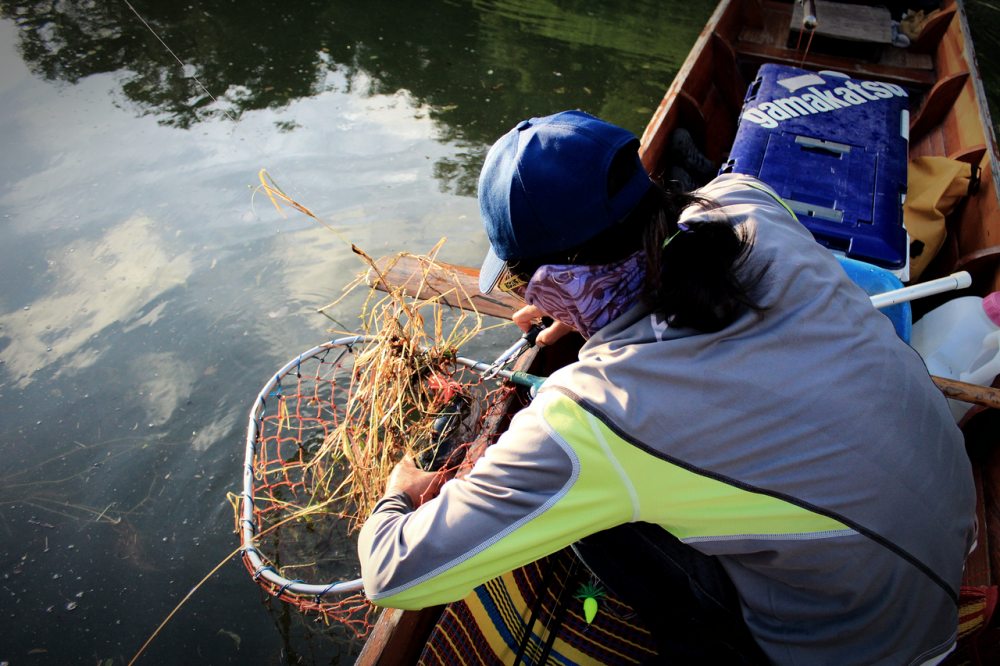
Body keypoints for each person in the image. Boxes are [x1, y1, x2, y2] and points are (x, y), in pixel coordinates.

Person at [358, 110, 976, 664]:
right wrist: (584, 312)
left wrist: (395, 495)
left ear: (552, 282)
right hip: (949, 544)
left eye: (523, 282)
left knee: (592, 509)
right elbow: (686, 254)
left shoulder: (593, 412)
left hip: (858, 649)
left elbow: (396, 575)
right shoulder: (746, 200)